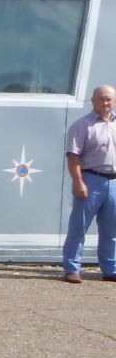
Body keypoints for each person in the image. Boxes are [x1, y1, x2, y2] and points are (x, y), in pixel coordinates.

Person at [63, 83, 116, 284]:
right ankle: (71, 268)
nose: (105, 102)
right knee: (79, 227)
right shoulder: (82, 125)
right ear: (93, 101)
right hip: (90, 180)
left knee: (111, 231)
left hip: (114, 182)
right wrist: (78, 182)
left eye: (109, 99)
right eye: (101, 98)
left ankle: (110, 269)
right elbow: (73, 157)